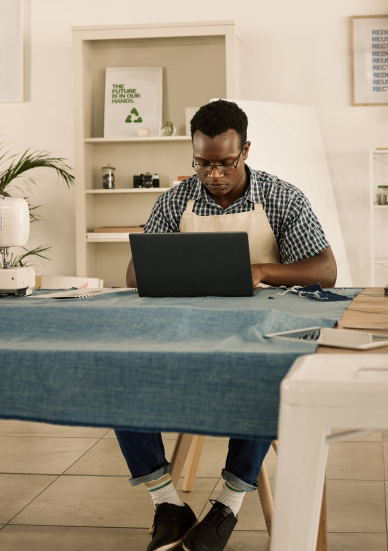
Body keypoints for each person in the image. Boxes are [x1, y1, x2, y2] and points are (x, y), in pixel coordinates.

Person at [119, 99, 336, 551]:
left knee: (266, 377)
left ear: (246, 151)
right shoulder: (175, 201)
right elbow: (134, 275)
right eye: (203, 164)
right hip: (185, 334)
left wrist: (260, 271)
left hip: (258, 335)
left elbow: (324, 269)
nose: (214, 174)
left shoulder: (281, 197)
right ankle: (167, 503)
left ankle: (227, 506)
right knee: (120, 372)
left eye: (225, 163)